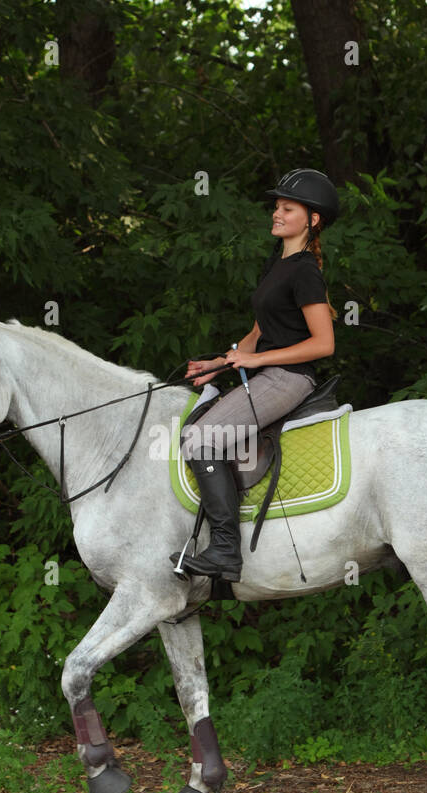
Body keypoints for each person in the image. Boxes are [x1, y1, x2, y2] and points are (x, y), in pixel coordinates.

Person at [170, 168, 339, 582]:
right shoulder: (277, 264)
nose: (276, 214)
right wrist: (222, 362)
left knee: (201, 439)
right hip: (266, 374)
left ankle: (226, 551)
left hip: (288, 379)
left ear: (312, 219)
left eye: (287, 208)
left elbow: (324, 344)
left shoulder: (304, 271)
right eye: (276, 207)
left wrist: (258, 362)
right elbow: (260, 332)